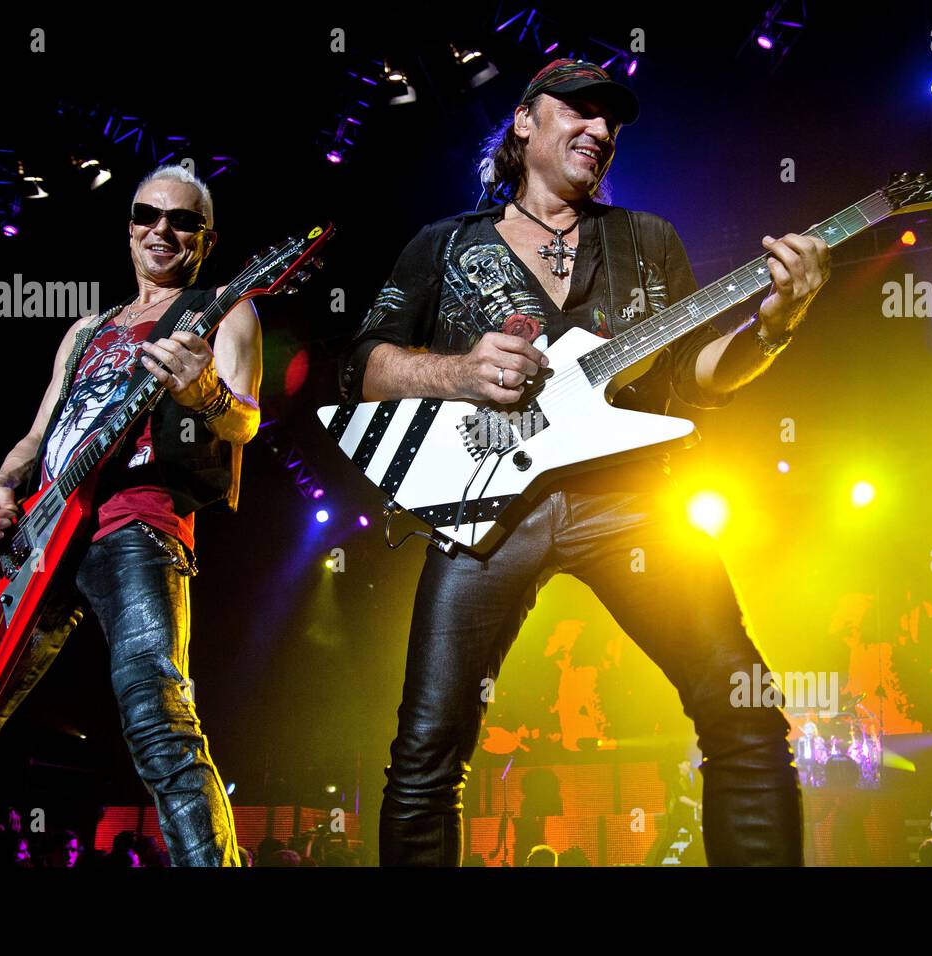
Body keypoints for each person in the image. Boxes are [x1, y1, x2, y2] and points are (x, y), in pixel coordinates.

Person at [339, 60, 830, 866]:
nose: (602, 130)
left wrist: (773, 328)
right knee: (427, 751)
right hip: (487, 510)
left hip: (633, 502)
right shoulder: (444, 245)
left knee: (747, 719)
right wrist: (459, 371)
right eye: (582, 111)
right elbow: (360, 367)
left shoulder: (646, 240)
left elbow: (691, 380)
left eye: (613, 122)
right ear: (524, 123)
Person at [0, 164, 262, 867]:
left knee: (159, 723)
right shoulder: (85, 330)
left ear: (207, 239)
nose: (162, 229)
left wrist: (206, 390)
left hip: (137, 524)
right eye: (146, 215)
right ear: (128, 226)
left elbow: (246, 422)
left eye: (182, 221)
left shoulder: (223, 308)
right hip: (37, 537)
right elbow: (38, 439)